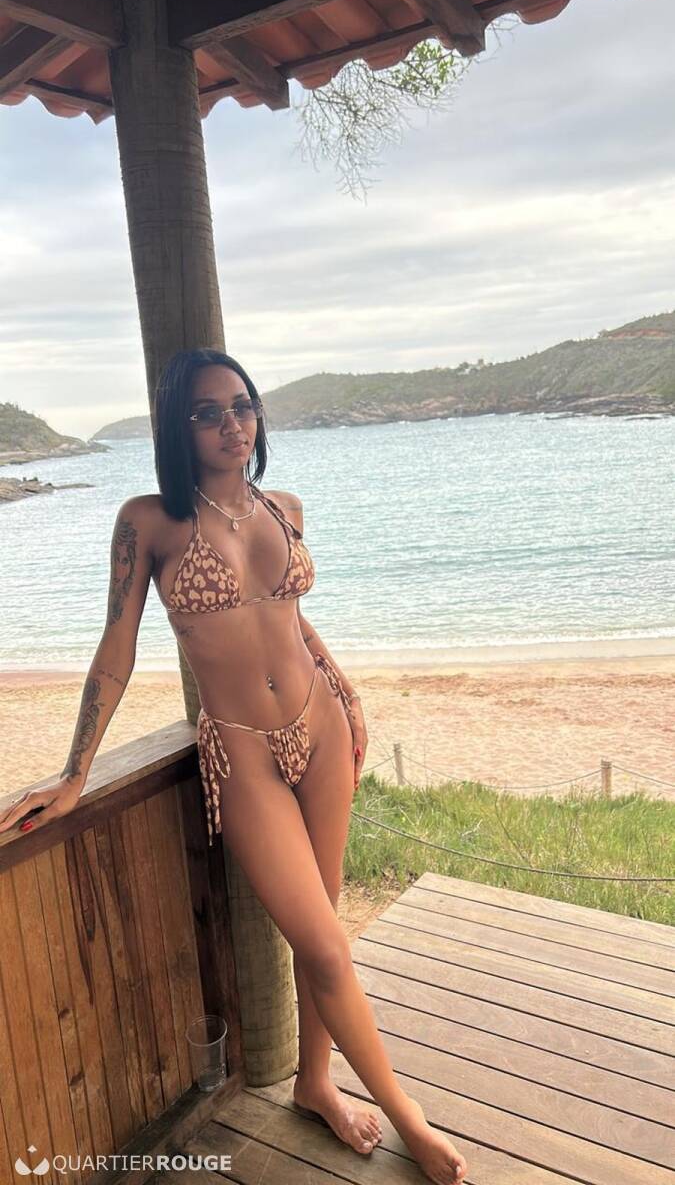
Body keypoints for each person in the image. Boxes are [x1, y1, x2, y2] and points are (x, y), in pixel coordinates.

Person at [0, 349, 467, 1185]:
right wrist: (74, 772)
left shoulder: (283, 507)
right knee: (324, 946)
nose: (231, 424)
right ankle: (409, 1118)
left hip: (321, 725)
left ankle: (316, 1082)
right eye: (207, 412)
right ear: (177, 427)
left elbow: (288, 617)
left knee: (324, 922)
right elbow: (117, 646)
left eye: (242, 406)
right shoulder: (148, 522)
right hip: (243, 749)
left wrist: (348, 691)